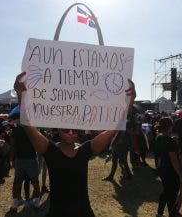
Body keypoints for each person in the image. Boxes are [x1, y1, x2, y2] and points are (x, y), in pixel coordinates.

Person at [14, 72, 135, 217]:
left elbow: (115, 126)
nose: (71, 132)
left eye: (75, 128)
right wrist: (20, 95)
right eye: (66, 128)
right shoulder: (49, 150)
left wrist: (129, 100)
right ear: (58, 128)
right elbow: (27, 124)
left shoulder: (85, 149)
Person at [155, 117, 182, 217]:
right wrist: (180, 174)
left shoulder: (159, 138)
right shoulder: (171, 142)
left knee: (166, 191)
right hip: (170, 171)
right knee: (172, 194)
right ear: (170, 127)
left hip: (162, 169)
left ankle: (160, 212)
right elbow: (174, 160)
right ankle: (172, 214)